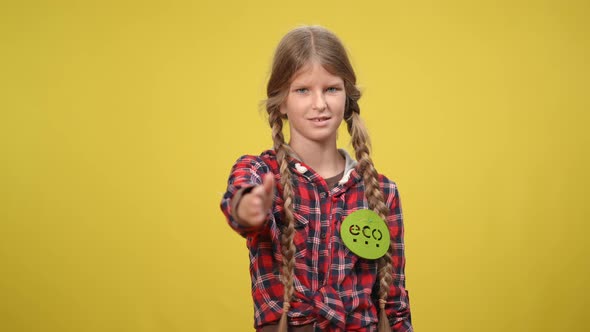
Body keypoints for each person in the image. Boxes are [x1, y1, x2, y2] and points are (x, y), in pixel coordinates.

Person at [220, 25, 412, 332]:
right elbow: (239, 203)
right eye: (302, 90)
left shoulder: (383, 191)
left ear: (347, 96)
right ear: (281, 101)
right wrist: (249, 207)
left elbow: (395, 304)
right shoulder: (263, 174)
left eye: (331, 89)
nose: (319, 104)